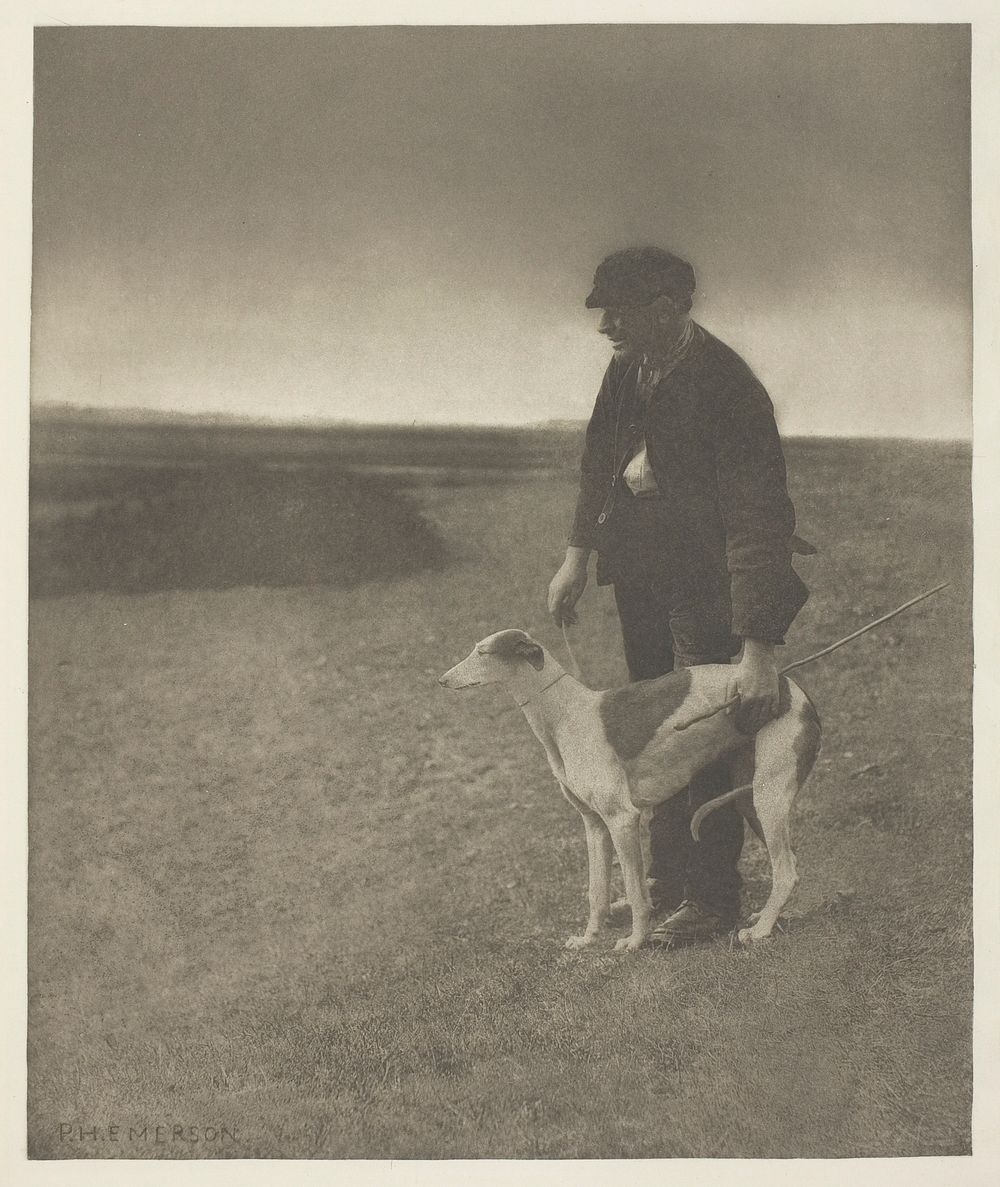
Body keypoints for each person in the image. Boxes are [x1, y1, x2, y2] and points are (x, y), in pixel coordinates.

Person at [547, 246, 811, 946]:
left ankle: (712, 897)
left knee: (705, 735)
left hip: (705, 583)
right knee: (651, 725)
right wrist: (577, 558)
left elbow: (759, 522)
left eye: (619, 312)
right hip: (639, 572)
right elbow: (600, 459)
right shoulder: (627, 366)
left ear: (668, 310)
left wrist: (758, 648)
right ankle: (664, 880)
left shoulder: (731, 387)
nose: (606, 326)